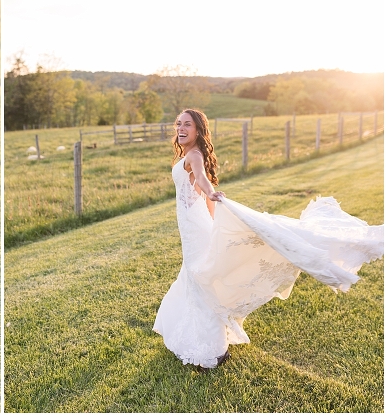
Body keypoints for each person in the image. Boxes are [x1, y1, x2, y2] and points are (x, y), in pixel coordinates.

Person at [153, 108, 383, 369]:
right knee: (196, 277)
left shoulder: (194, 155)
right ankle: (197, 340)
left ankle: (213, 351)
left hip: (196, 228)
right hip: (194, 226)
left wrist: (214, 195)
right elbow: (198, 192)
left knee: (202, 278)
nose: (181, 128)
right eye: (178, 124)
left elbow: (204, 183)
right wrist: (216, 220)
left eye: (187, 125)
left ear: (198, 131)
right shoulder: (189, 154)